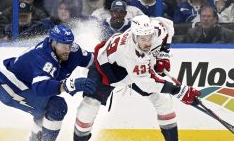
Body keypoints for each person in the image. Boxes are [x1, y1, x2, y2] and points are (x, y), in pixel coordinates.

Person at [72, 15, 201, 141]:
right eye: (143, 39)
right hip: (106, 68)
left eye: (149, 37)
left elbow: (168, 25)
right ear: (134, 36)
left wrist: (163, 54)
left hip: (133, 71)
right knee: (89, 107)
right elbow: (148, 84)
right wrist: (180, 91)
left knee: (163, 100)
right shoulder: (130, 53)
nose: (148, 43)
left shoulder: (156, 30)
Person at [0, 24, 96, 141]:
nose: (67, 50)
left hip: (27, 84)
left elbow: (94, 61)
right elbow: (40, 88)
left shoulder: (73, 51)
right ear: (53, 42)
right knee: (56, 106)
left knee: (48, 110)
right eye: (64, 45)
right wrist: (68, 85)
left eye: (70, 44)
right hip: (10, 88)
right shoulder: (43, 58)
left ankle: (35, 139)